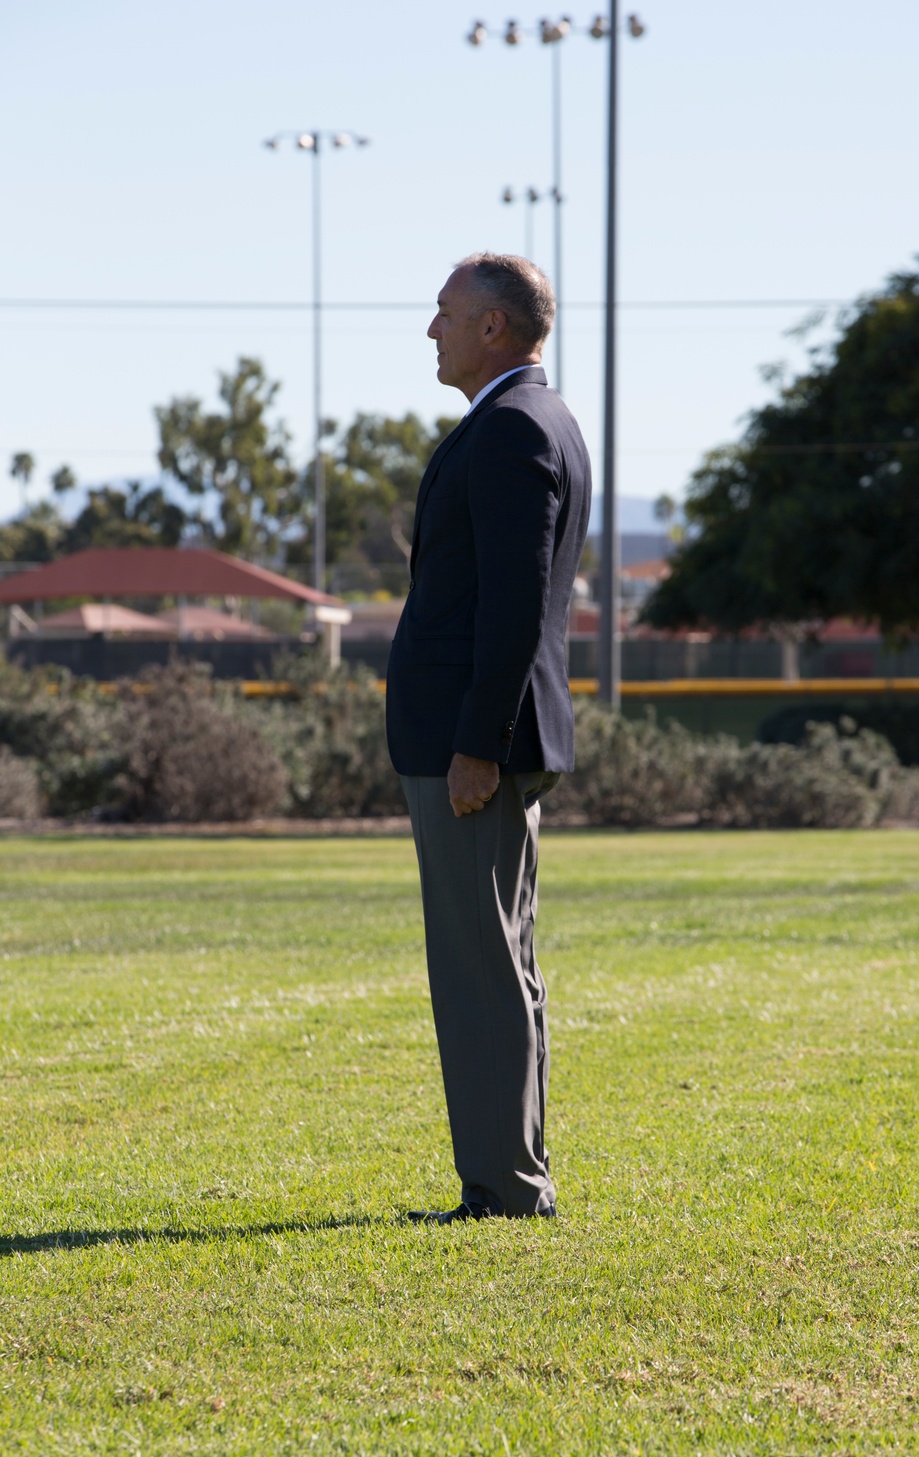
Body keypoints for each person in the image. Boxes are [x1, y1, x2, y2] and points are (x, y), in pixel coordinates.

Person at [385, 252, 592, 1223]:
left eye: (445, 314)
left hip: (476, 746)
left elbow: (510, 610)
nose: (432, 329)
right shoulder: (532, 420)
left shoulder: (510, 430)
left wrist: (477, 744)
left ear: (493, 330)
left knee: (478, 966)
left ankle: (505, 1192)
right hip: (487, 737)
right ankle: (514, 1178)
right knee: (501, 960)